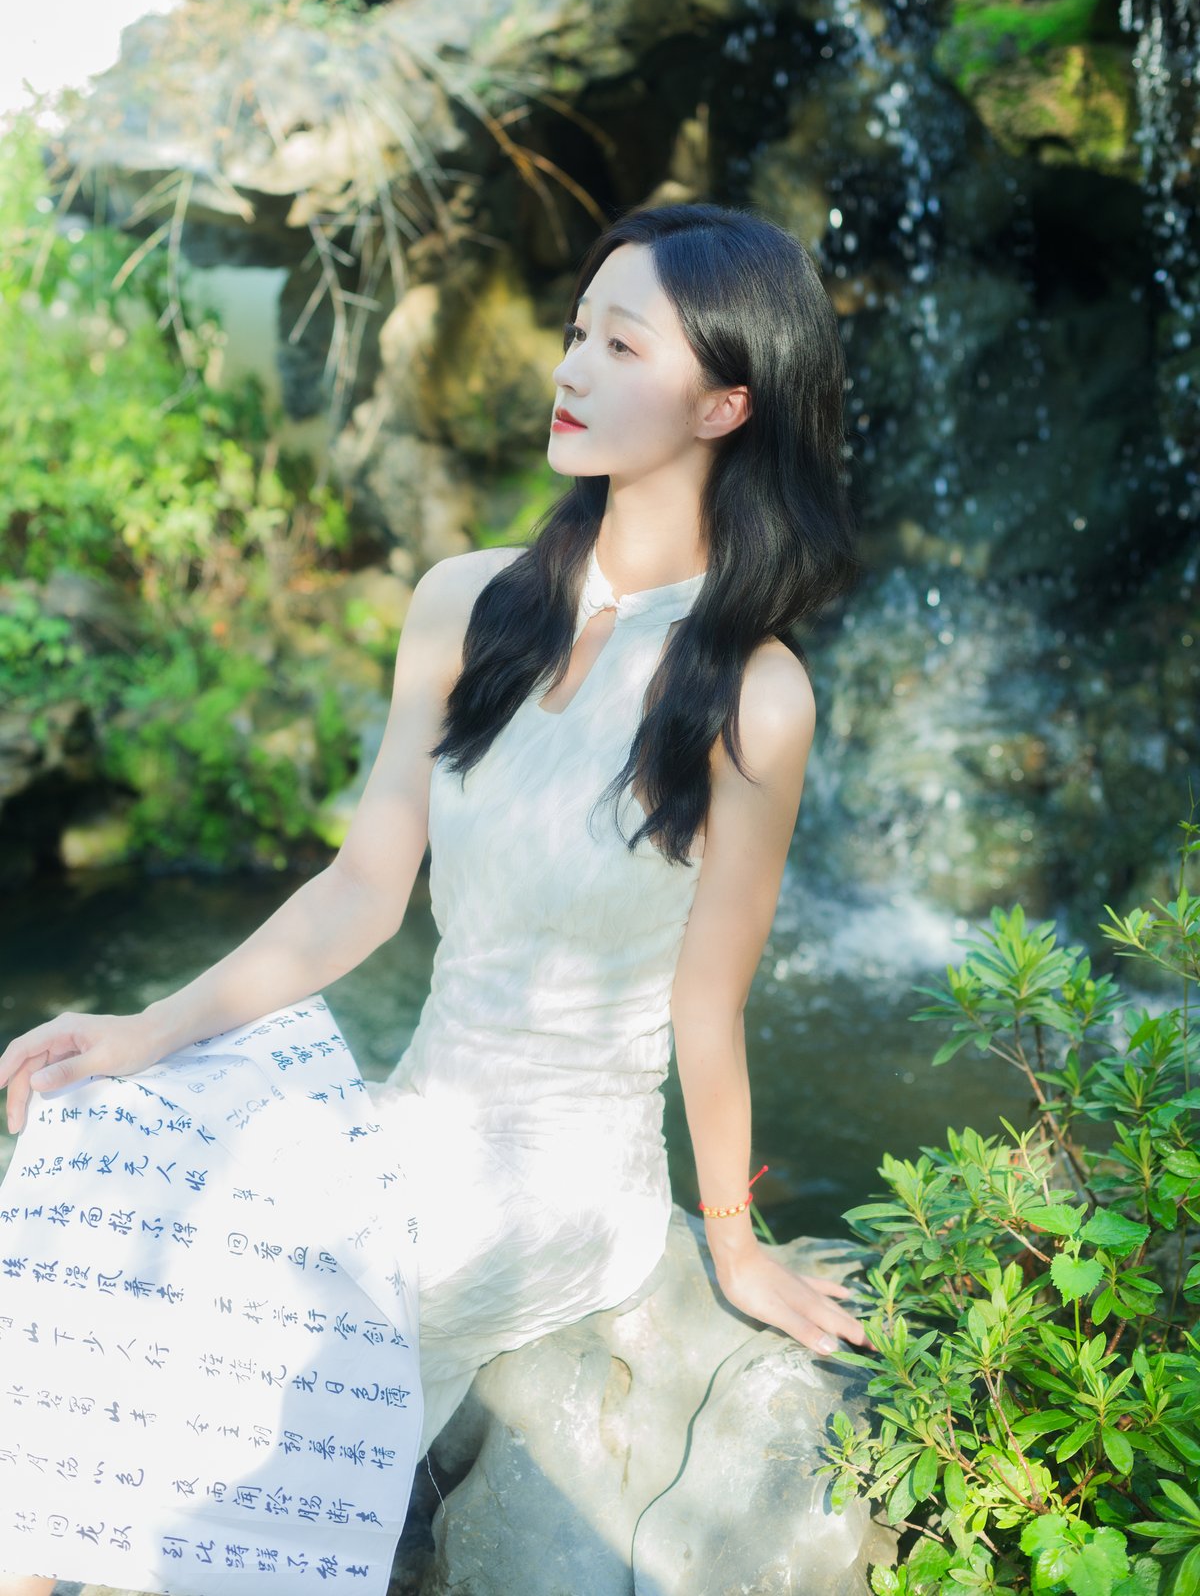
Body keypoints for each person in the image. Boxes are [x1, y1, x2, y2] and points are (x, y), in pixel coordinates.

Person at [0, 200, 870, 1596]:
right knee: (99, 1144)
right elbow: (360, 891)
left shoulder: (753, 693)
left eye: (621, 345)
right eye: (576, 332)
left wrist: (735, 1241)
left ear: (725, 404)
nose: (570, 368)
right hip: (412, 1124)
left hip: (558, 1183)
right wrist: (145, 1030)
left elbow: (709, 1006)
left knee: (237, 1282)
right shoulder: (469, 603)